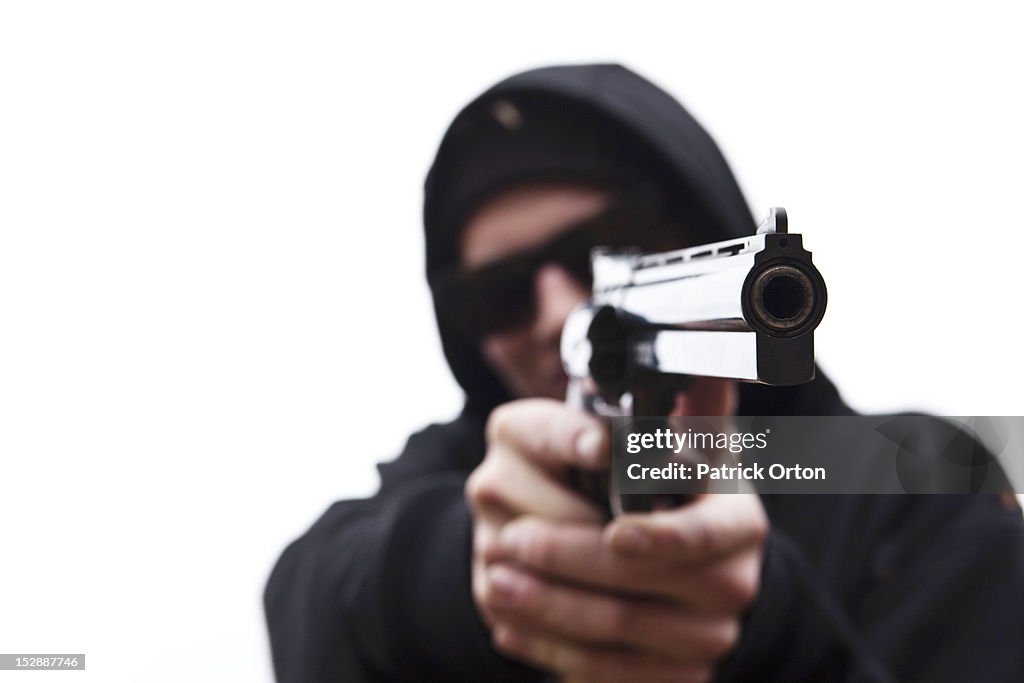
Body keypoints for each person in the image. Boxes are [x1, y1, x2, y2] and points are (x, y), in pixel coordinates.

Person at [264, 64, 1024, 682]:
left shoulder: (911, 483)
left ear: (700, 229)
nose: (562, 309)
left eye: (611, 243)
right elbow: (304, 595)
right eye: (498, 291)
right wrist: (465, 572)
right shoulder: (451, 475)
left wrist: (768, 635)